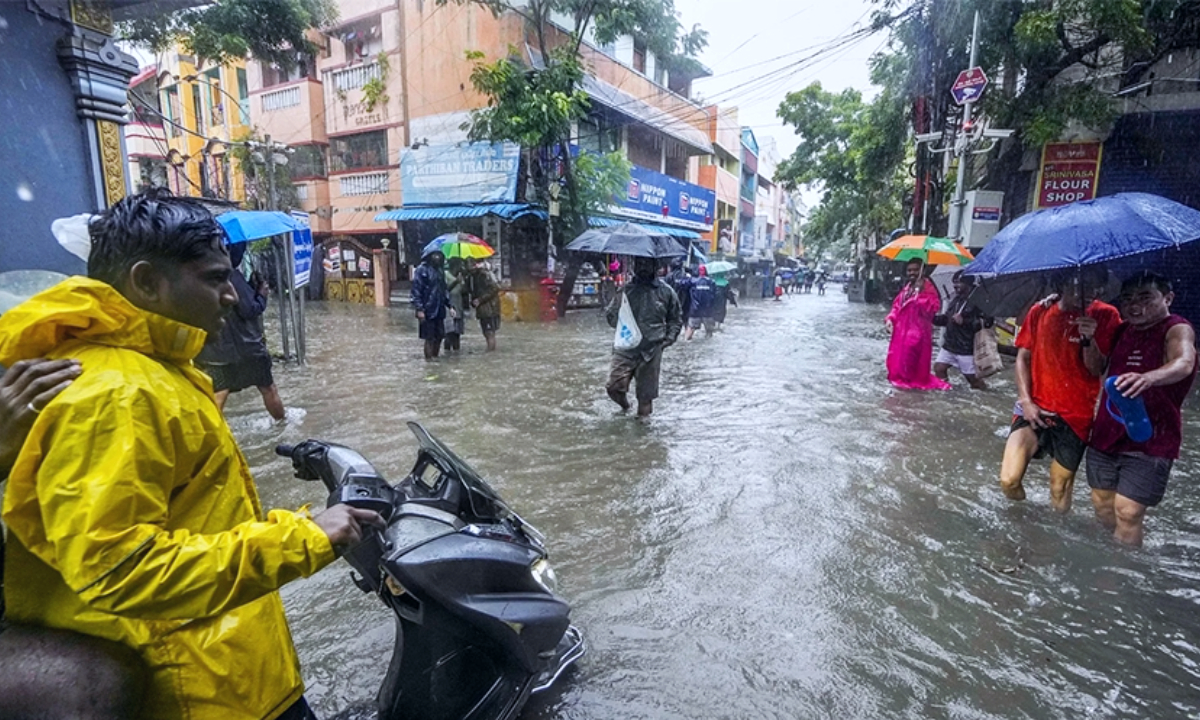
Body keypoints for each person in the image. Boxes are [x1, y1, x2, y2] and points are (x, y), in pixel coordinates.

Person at [0, 189, 385, 720]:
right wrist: (306, 537)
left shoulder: (158, 367)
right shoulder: (118, 394)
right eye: (213, 278)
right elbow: (121, 569)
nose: (231, 295)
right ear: (147, 282)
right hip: (199, 685)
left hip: (225, 664)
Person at [1086, 272, 1197, 546]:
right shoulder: (1123, 330)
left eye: (1145, 298)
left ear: (1168, 298)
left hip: (1152, 436)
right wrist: (1088, 339)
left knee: (1128, 511)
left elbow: (1184, 363)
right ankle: (1114, 551)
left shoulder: (1177, 328)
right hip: (1107, 431)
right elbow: (1096, 368)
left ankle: (1120, 574)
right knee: (1102, 505)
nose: (1135, 306)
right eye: (1127, 300)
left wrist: (1149, 377)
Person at [1000, 268, 1122, 513]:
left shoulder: (1106, 315)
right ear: (1062, 284)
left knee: (1059, 488)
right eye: (1080, 285)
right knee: (1008, 481)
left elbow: (1097, 368)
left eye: (1095, 287)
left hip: (1076, 415)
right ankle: (1024, 520)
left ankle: (1053, 535)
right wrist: (1025, 400)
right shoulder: (1040, 311)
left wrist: (1090, 337)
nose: (1087, 293)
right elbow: (1023, 359)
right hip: (1034, 408)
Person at [195, 243, 286, 420]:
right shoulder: (233, 277)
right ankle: (283, 423)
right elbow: (249, 309)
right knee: (268, 388)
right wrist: (261, 294)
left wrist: (251, 288)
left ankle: (210, 432)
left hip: (216, 351)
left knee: (219, 392)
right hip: (247, 348)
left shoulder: (203, 277)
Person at [605, 256, 683, 417]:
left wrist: (668, 340)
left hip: (652, 349)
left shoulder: (666, 292)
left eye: (647, 263)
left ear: (656, 266)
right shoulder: (626, 290)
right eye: (639, 263)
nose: (643, 267)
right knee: (613, 386)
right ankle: (626, 406)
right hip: (625, 347)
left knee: (645, 397)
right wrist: (619, 301)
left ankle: (642, 432)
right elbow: (611, 318)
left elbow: (675, 319)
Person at [884, 259, 952, 391]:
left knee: (911, 364)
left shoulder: (928, 287)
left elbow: (933, 307)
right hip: (900, 333)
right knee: (896, 362)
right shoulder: (907, 287)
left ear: (922, 270)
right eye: (909, 270)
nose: (912, 273)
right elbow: (897, 306)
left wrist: (920, 295)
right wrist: (890, 319)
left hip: (918, 333)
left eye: (915, 270)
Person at [932, 270, 991, 390]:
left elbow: (987, 322)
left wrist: (964, 321)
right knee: (939, 368)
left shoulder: (979, 301)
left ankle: (986, 392)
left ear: (967, 283)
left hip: (966, 348)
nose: (955, 286)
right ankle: (946, 391)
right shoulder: (956, 300)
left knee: (973, 379)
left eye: (958, 283)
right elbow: (946, 320)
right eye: (954, 283)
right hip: (949, 345)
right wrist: (931, 318)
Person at [411, 249, 453, 360]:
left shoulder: (440, 270)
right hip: (427, 309)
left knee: (439, 336)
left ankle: (435, 357)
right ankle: (428, 360)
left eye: (439, 255)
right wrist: (419, 309)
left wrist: (450, 305)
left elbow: (444, 290)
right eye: (435, 255)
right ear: (429, 256)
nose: (437, 257)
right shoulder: (421, 270)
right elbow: (416, 291)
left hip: (439, 309)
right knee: (429, 337)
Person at [466, 258, 501, 352]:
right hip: (484, 309)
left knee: (489, 332)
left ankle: (490, 354)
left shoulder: (484, 275)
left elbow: (495, 288)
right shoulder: (473, 277)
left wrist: (480, 300)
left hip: (489, 308)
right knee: (487, 332)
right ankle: (490, 352)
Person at [683, 265, 717, 340]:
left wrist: (686, 276)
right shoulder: (711, 281)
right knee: (709, 332)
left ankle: (685, 343)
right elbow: (714, 295)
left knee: (690, 329)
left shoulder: (692, 280)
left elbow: (681, 284)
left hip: (695, 309)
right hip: (708, 310)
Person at [444, 258, 466, 353]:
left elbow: (464, 292)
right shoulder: (445, 275)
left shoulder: (460, 277)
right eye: (459, 265)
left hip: (459, 308)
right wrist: (456, 282)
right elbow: (444, 290)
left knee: (457, 333)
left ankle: (456, 354)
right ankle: (447, 353)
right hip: (449, 308)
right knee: (449, 333)